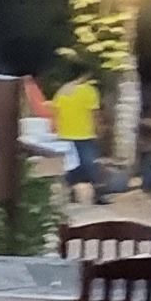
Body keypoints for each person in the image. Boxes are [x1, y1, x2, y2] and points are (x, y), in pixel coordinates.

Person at [49, 70, 104, 203]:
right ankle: (94, 196)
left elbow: (55, 113)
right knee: (89, 167)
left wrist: (55, 129)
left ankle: (70, 195)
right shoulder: (89, 91)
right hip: (85, 135)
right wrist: (99, 129)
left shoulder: (61, 91)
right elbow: (95, 114)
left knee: (70, 167)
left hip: (64, 135)